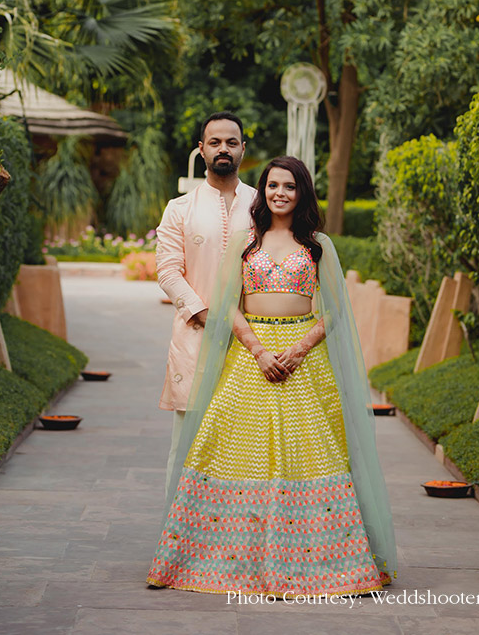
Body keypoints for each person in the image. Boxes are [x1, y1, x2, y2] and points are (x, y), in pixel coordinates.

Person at [147, 156, 397, 596]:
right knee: (229, 449)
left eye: (290, 186)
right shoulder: (246, 242)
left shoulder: (317, 245)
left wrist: (299, 349)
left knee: (314, 454)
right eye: (273, 185)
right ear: (262, 192)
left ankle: (327, 563)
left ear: (302, 192)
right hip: (250, 358)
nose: (280, 193)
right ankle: (216, 561)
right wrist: (259, 350)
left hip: (305, 361)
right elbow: (228, 304)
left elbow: (336, 312)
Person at [156, 112, 256, 493]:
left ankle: (232, 536)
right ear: (201, 150)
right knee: (189, 443)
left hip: (253, 342)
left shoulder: (263, 205)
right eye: (215, 142)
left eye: (231, 142)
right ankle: (176, 537)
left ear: (243, 149)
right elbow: (167, 271)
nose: (223, 149)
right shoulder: (179, 208)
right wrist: (205, 315)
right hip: (196, 337)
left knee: (246, 445)